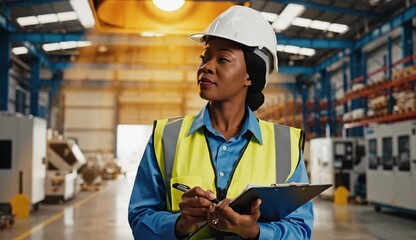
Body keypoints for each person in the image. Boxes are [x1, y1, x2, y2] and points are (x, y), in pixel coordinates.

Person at [128, 5, 313, 239]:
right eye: (205, 58)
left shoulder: (285, 145)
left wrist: (255, 232)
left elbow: (300, 230)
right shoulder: (166, 137)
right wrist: (180, 224)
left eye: (223, 59)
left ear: (250, 75)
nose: (206, 66)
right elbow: (139, 218)